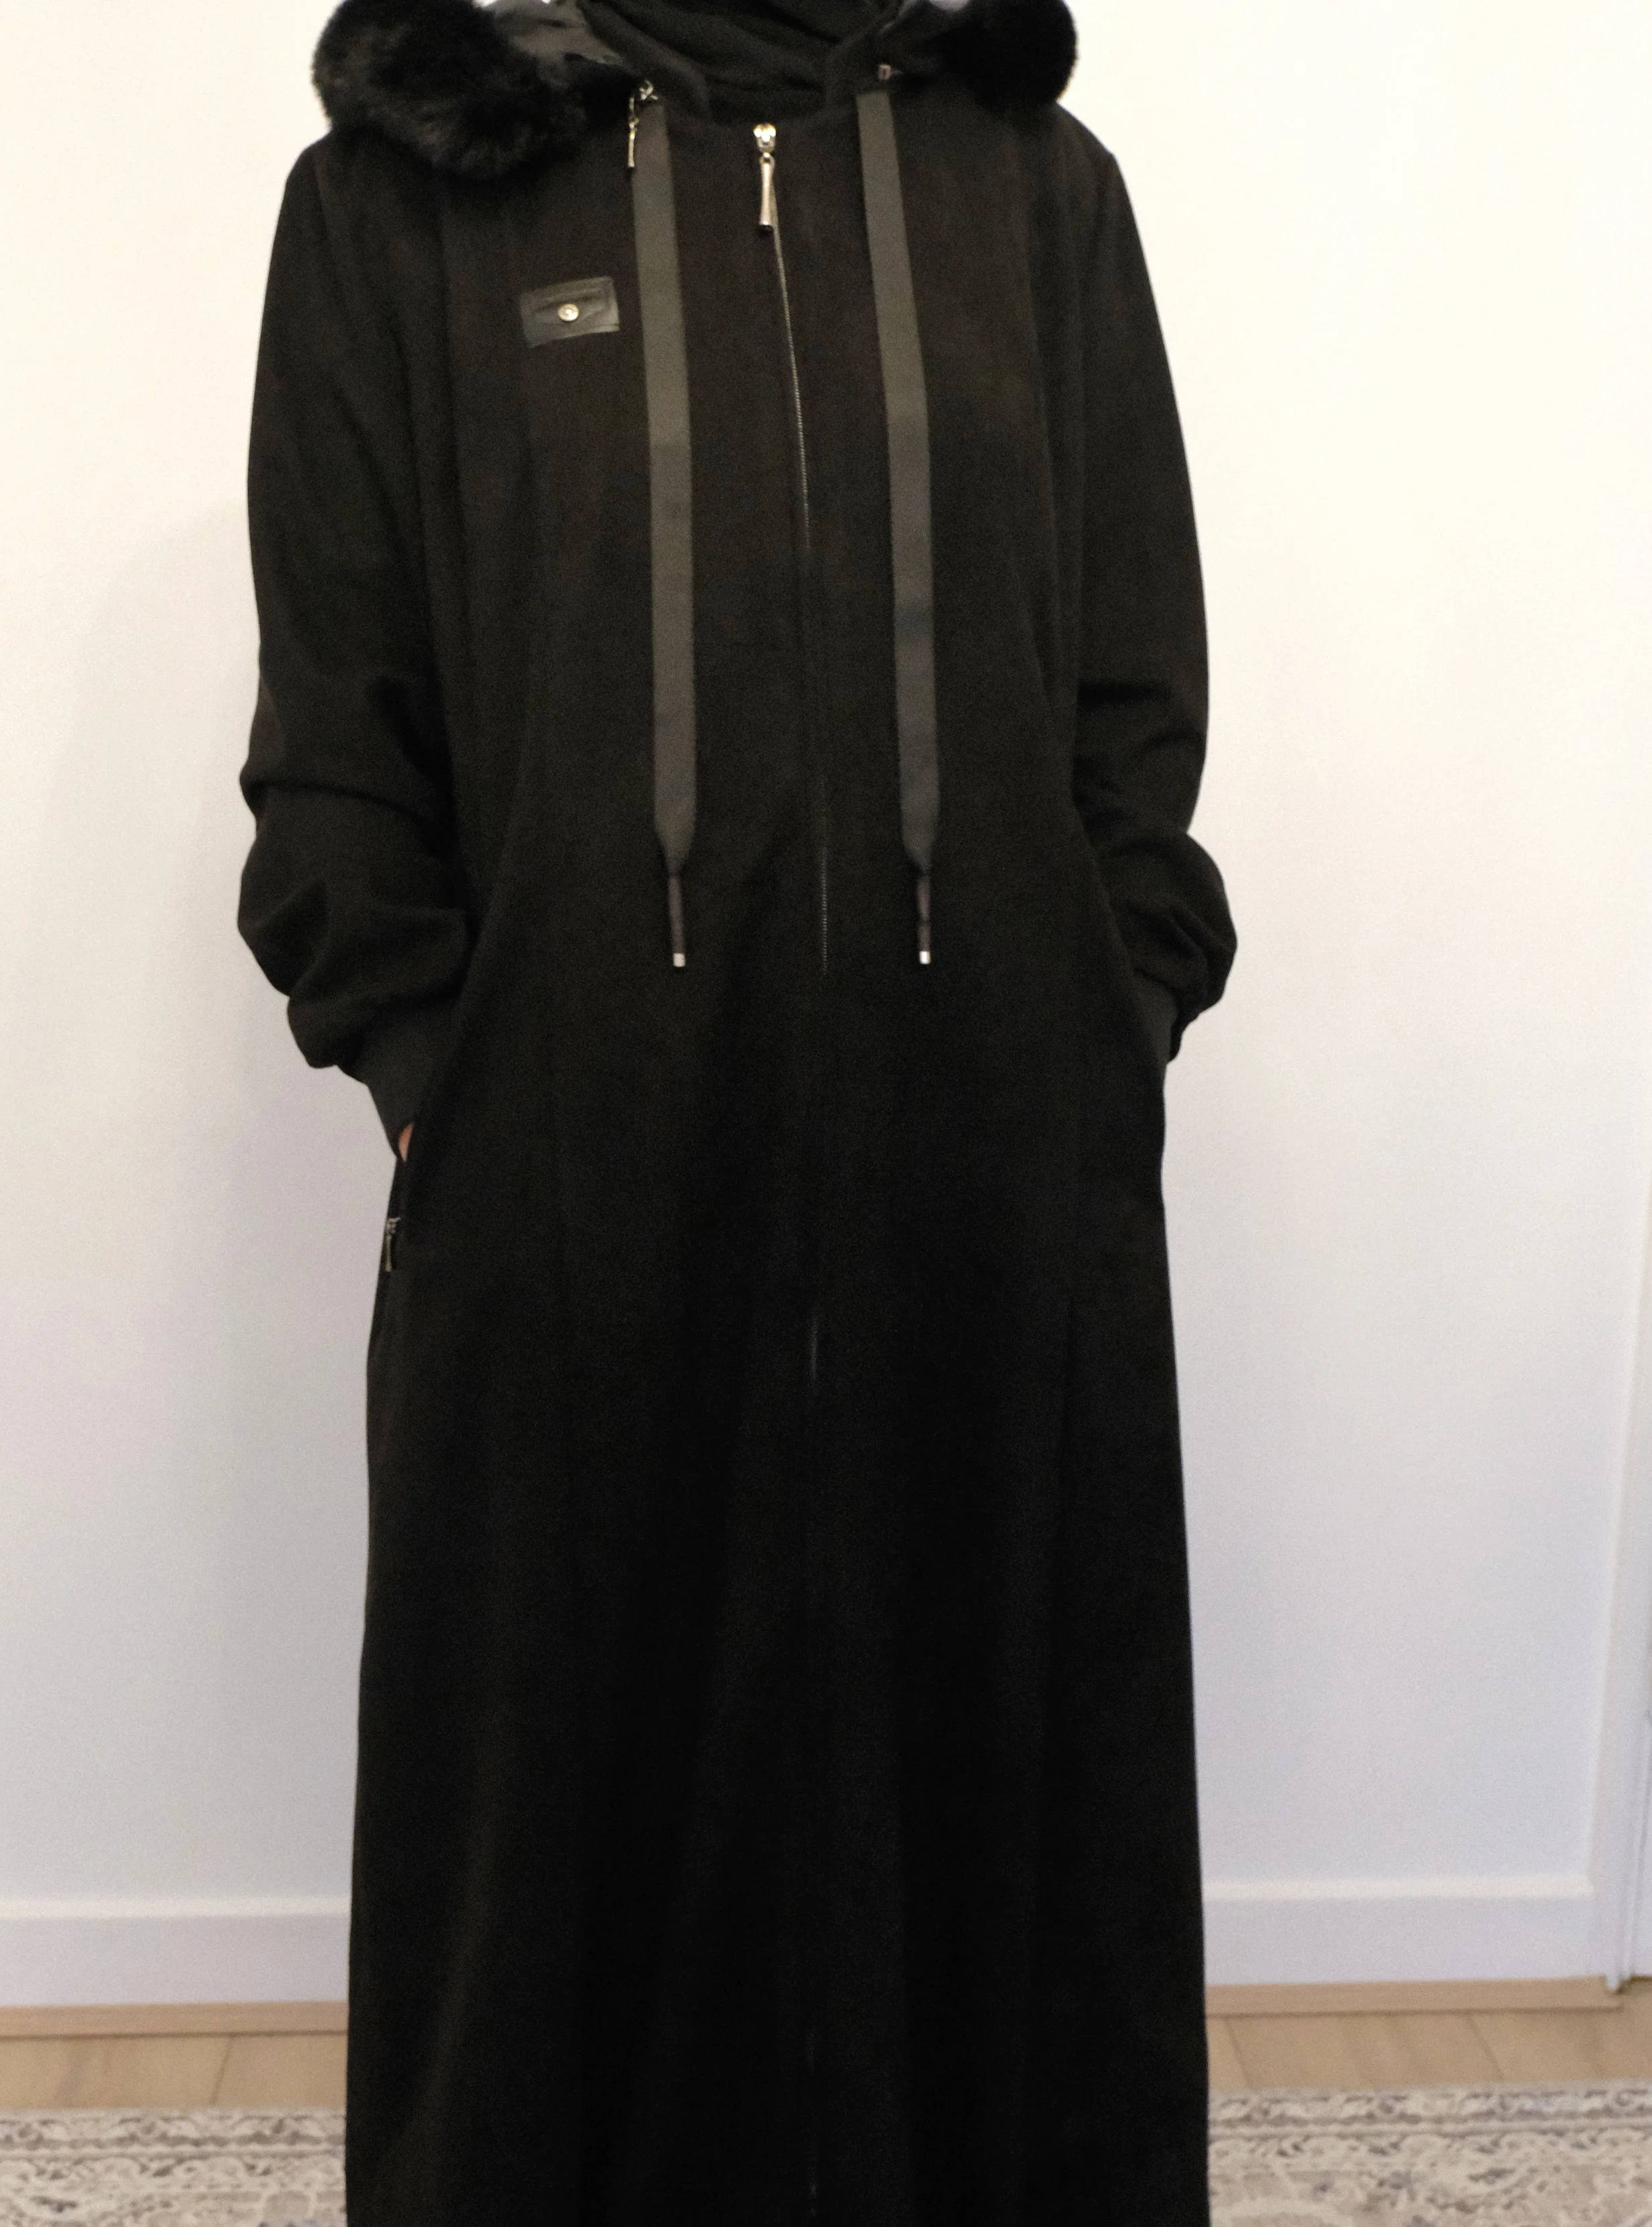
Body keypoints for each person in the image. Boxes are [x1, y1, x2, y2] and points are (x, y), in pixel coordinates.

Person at [237, 0, 1236, 2216]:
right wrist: (430, 1072)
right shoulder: (403, 204)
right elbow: (335, 715)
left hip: (992, 1154)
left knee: (991, 1801)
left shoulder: (1033, 193)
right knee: (552, 1836)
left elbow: (1133, 676)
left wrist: (1109, 1009)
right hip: (565, 1168)